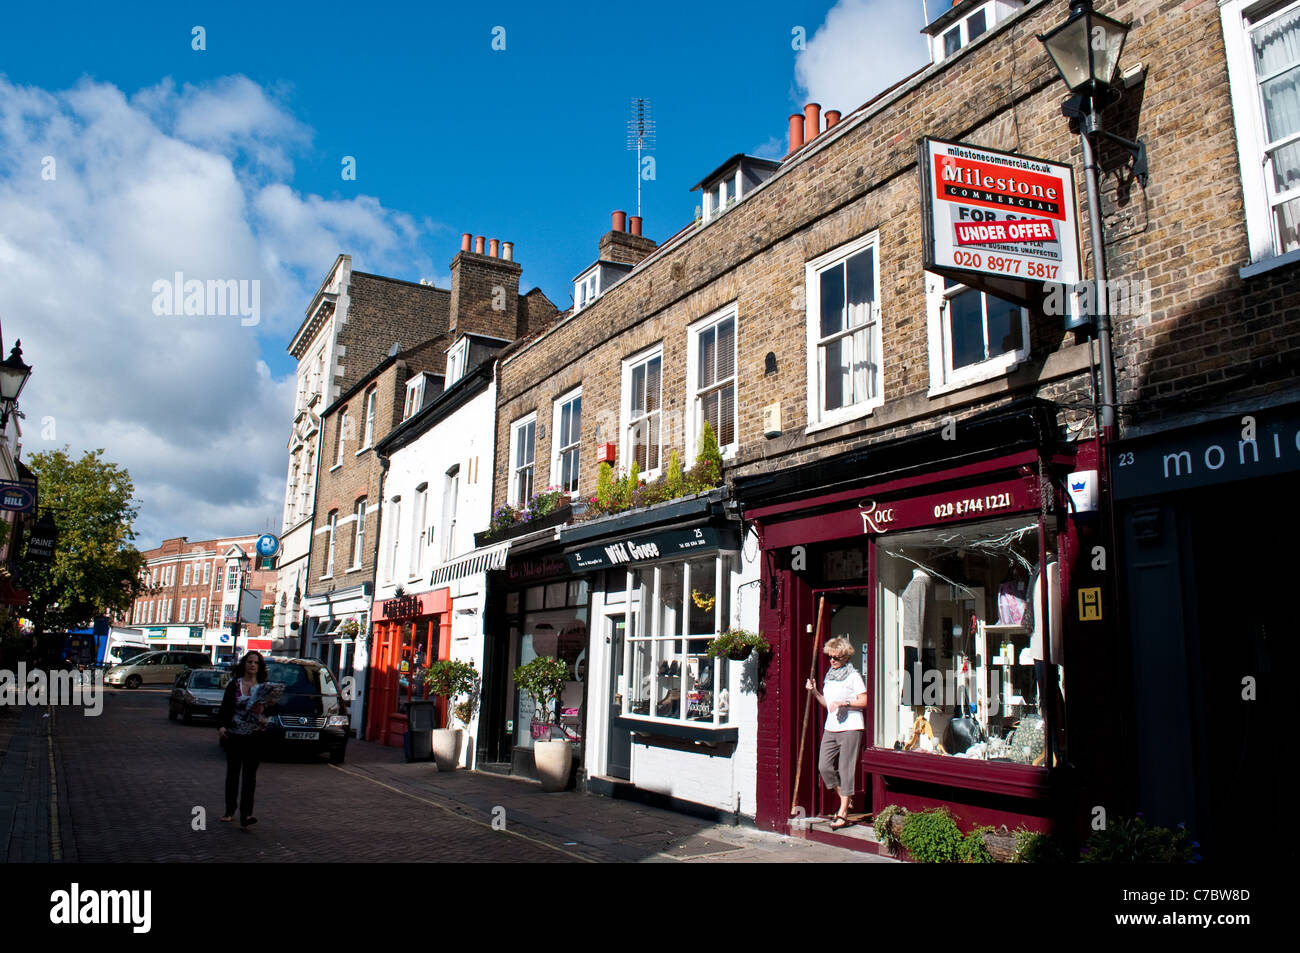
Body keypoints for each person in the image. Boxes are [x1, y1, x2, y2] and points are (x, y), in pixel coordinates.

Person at [806, 637, 868, 829]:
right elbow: (828, 704)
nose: (832, 661)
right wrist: (815, 692)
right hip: (831, 727)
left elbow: (864, 701)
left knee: (846, 769)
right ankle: (844, 797)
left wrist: (845, 703)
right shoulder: (830, 675)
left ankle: (843, 812)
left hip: (850, 726)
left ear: (845, 657)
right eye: (830, 657)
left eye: (836, 658)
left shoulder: (853, 676)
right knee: (824, 766)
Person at [218, 651, 269, 827]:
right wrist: (222, 726)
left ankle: (246, 814)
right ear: (244, 664)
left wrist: (264, 712)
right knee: (233, 774)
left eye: (256, 662)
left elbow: (271, 710)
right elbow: (225, 708)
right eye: (249, 662)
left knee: (250, 776)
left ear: (260, 667)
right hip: (235, 735)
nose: (252, 665)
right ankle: (229, 810)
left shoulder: (264, 688)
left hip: (254, 737)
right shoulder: (234, 685)